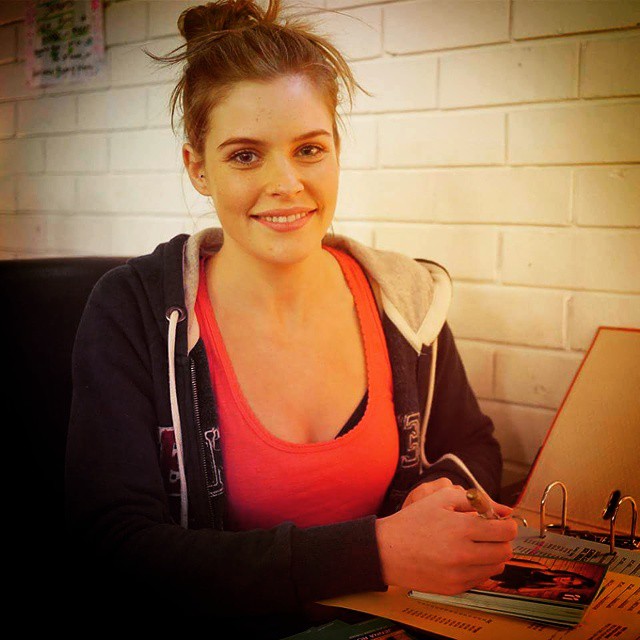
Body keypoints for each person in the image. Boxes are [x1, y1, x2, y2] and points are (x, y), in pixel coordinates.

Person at [64, 0, 517, 633]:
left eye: (308, 149)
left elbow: (472, 446)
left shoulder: (405, 298)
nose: (286, 183)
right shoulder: (133, 311)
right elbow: (117, 545)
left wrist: (437, 490)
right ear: (198, 167)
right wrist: (375, 552)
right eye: (245, 156)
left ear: (336, 152)